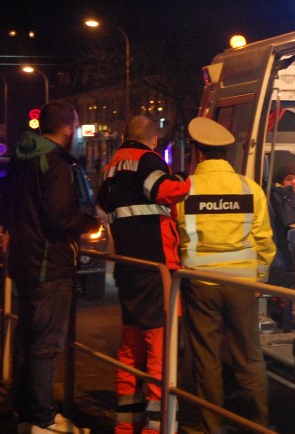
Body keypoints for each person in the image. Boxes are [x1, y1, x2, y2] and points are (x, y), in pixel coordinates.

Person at [3, 101, 101, 434]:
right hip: (50, 264)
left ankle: (26, 413)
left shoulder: (22, 158)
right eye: (76, 125)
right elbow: (61, 216)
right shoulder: (56, 164)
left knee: (27, 340)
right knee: (46, 345)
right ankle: (43, 419)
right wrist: (90, 223)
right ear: (67, 128)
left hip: (25, 261)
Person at [175, 117, 276, 433]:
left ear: (198, 153)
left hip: (200, 284)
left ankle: (212, 424)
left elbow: (179, 235)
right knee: (249, 356)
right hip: (241, 284)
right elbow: (264, 240)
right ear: (226, 154)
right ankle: (257, 424)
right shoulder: (249, 188)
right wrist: (260, 278)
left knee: (206, 358)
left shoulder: (186, 189)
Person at [97, 115, 191, 434]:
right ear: (153, 140)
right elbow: (162, 190)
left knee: (131, 346)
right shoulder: (148, 160)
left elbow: (103, 206)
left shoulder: (111, 167)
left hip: (127, 267)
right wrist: (186, 181)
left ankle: (126, 425)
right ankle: (155, 425)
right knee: (159, 348)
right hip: (155, 267)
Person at [268, 160, 295, 280]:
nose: (294, 182)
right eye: (289, 179)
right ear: (281, 183)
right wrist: (288, 193)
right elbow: (290, 220)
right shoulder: (278, 197)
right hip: (284, 256)